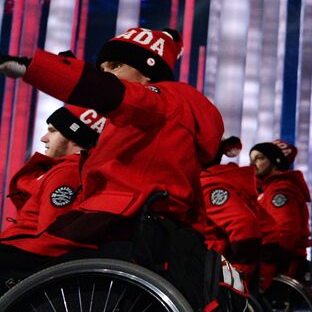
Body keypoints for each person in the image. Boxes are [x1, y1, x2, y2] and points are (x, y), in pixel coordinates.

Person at [1, 27, 224, 255]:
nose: (107, 74)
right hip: (123, 220)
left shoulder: (164, 101)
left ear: (148, 71)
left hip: (120, 218)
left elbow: (107, 90)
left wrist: (33, 68)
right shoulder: (149, 116)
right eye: (102, 69)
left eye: (115, 66)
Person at [0, 106, 106, 281]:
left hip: (30, 256)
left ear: (74, 137)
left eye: (53, 131)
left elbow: (52, 234)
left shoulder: (68, 172)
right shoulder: (63, 170)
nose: (44, 138)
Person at [249, 140, 311, 286]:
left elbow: (286, 231)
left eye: (260, 158)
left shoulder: (281, 190)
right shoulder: (268, 190)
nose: (253, 164)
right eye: (252, 159)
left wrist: (266, 266)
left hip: (279, 264)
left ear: (275, 161)